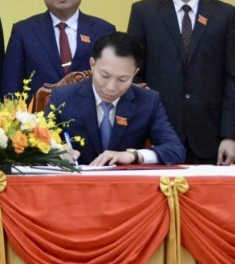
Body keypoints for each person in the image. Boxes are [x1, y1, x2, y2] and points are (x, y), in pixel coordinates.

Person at [126, 0, 235, 164]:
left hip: (209, 135)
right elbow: (133, 76)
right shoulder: (144, 12)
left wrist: (229, 135)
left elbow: (233, 79)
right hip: (156, 132)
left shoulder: (224, 14)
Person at [50, 32, 184, 166]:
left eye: (122, 79)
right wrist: (56, 153)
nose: (111, 87)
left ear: (135, 73)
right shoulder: (62, 98)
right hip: (75, 183)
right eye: (104, 76)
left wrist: (133, 155)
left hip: (124, 184)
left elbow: (175, 150)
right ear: (92, 64)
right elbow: (37, 144)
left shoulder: (148, 101)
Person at [1, 0, 115, 100]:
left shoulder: (103, 30)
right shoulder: (24, 31)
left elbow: (113, 82)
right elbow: (11, 86)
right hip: (37, 120)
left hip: (90, 119)